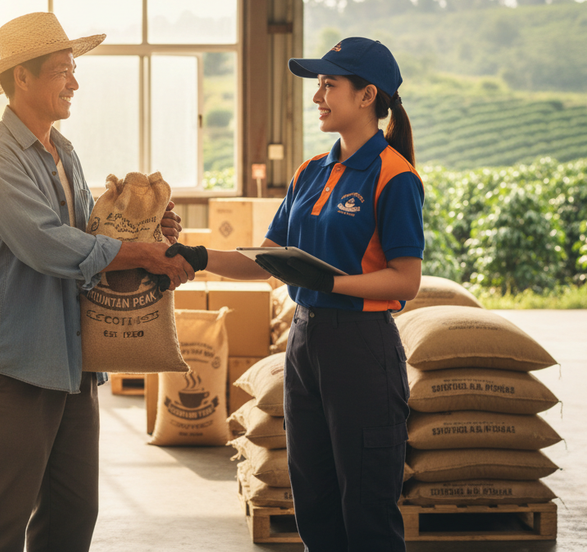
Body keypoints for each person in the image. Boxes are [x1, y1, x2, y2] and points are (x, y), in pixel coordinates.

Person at [169, 37, 423, 551]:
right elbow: (265, 260)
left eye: (330, 85)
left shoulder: (395, 176)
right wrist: (194, 258)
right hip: (307, 344)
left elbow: (406, 278)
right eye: (319, 85)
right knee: (315, 502)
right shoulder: (312, 171)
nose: (318, 97)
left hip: (362, 348)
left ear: (367, 95)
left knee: (367, 511)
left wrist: (331, 282)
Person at [0, 11, 195, 552]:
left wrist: (150, 230)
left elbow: (91, 232)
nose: (74, 82)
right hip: (16, 365)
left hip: (73, 363)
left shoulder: (63, 151)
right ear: (22, 76)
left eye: (73, 69)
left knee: (71, 516)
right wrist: (142, 253)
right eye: (62, 70)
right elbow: (46, 244)